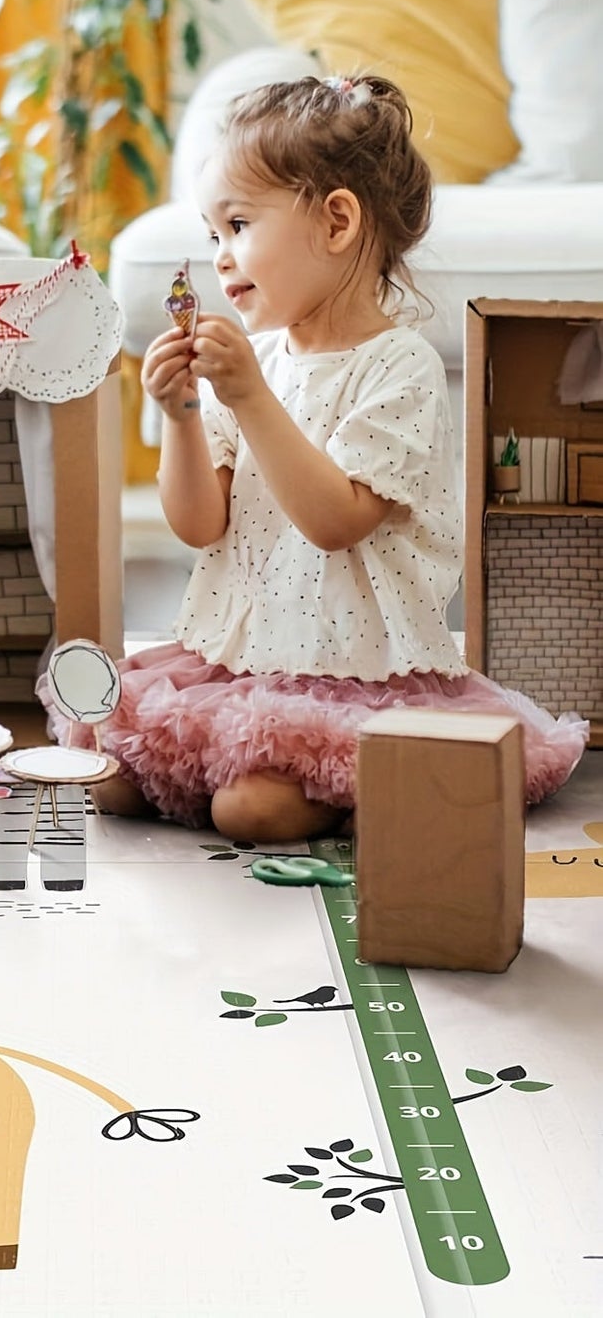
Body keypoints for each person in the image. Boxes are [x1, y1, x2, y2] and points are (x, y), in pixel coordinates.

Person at [43, 74, 587, 841]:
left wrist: (249, 397)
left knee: (248, 809)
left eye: (237, 224)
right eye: (210, 235)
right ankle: (239, 771)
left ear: (335, 221)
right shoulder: (259, 358)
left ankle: (341, 785)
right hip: (242, 659)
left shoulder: (399, 365)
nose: (220, 258)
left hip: (354, 671)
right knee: (109, 771)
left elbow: (335, 521)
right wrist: (181, 416)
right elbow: (199, 525)